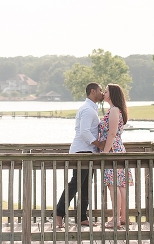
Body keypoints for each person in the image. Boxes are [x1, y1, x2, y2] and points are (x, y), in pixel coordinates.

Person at [55, 82, 106, 229]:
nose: (102, 93)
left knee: (84, 186)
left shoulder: (91, 108)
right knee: (75, 185)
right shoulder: (88, 110)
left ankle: (82, 217)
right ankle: (59, 214)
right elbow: (84, 132)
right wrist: (99, 145)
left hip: (88, 152)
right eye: (100, 91)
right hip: (82, 152)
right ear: (92, 91)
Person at [99, 83, 133, 228]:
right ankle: (124, 217)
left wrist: (105, 153)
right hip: (118, 148)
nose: (103, 94)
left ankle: (115, 219)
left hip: (113, 149)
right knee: (121, 185)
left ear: (112, 94)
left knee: (114, 185)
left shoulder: (114, 110)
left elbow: (112, 133)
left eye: (105, 91)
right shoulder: (117, 110)